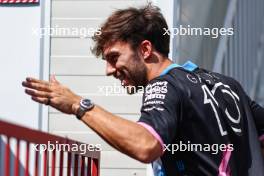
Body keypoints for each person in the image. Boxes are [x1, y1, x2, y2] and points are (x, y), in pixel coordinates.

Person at [22, 4, 264, 176]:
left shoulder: (165, 85)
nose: (109, 70)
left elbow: (145, 145)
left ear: (146, 49)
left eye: (114, 57)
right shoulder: (228, 85)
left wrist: (78, 105)